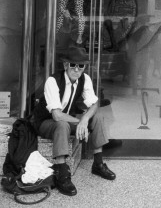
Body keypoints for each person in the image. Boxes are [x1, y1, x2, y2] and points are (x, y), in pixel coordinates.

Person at [31, 46, 116, 197]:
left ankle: (98, 163)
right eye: (73, 65)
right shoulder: (53, 81)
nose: (77, 70)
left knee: (97, 117)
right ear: (65, 65)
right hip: (45, 122)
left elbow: (94, 104)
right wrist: (80, 121)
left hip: (65, 119)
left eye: (81, 66)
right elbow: (56, 115)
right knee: (62, 124)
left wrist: (84, 119)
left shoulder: (85, 79)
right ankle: (61, 173)